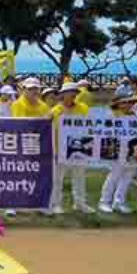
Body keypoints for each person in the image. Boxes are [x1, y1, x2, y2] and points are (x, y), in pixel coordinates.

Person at [6, 77, 51, 217]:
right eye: (30, 89)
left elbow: (45, 124)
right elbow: (21, 124)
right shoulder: (17, 104)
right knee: (16, 175)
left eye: (35, 89)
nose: (33, 91)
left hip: (37, 144)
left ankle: (38, 203)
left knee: (37, 175)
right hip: (19, 144)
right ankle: (11, 205)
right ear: (24, 90)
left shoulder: (43, 106)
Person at [49, 82, 93, 215]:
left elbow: (89, 126)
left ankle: (80, 203)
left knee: (79, 177)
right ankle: (56, 204)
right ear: (63, 95)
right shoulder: (55, 111)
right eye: (70, 92)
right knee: (57, 179)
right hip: (59, 150)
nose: (73, 95)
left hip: (80, 149)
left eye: (75, 92)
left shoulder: (83, 108)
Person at [99, 87, 137, 214]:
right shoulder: (111, 115)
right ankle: (104, 201)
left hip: (131, 149)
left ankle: (119, 201)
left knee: (128, 175)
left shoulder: (134, 115)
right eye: (125, 101)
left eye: (130, 101)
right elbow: (106, 134)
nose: (128, 104)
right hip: (116, 149)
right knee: (114, 175)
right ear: (117, 102)